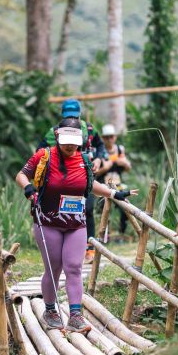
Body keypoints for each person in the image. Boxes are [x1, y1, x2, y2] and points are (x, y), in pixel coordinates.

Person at [17, 118, 138, 332]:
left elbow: (91, 185)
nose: (70, 146)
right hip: (48, 222)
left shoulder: (84, 159)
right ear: (57, 137)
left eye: (74, 142)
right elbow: (21, 175)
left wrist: (114, 193)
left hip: (76, 223)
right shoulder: (44, 156)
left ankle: (75, 316)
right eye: (66, 141)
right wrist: (28, 188)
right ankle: (50, 310)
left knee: (74, 267)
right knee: (54, 268)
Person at [37, 98, 107, 264]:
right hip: (63, 179)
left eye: (74, 116)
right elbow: (40, 150)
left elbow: (101, 146)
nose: (72, 120)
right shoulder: (55, 131)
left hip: (85, 175)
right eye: (69, 117)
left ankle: (90, 248)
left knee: (87, 209)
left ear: (79, 115)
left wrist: (98, 159)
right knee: (67, 212)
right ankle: (67, 250)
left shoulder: (89, 129)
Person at [96, 124, 132, 237]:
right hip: (103, 185)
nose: (109, 139)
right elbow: (95, 173)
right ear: (103, 138)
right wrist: (106, 167)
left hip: (118, 185)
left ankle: (122, 233)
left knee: (125, 207)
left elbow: (128, 168)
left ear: (115, 137)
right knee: (103, 210)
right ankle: (105, 235)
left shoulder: (120, 149)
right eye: (106, 137)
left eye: (111, 137)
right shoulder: (100, 151)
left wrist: (124, 163)